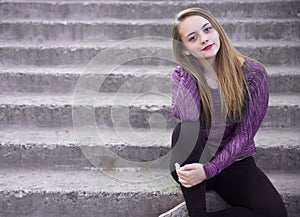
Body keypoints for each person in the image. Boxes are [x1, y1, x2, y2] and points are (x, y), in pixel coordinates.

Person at [166, 7, 287, 217]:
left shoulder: (253, 74)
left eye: (207, 30)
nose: (204, 39)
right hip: (195, 160)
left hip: (234, 162)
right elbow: (189, 119)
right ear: (184, 48)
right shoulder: (182, 76)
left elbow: (244, 135)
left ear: (218, 30)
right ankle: (196, 212)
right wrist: (191, 71)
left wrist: (209, 170)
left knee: (274, 213)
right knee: (184, 130)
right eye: (193, 38)